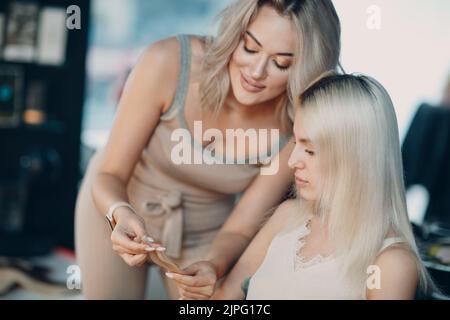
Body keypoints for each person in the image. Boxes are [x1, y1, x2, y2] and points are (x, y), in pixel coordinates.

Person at [75, 0, 341, 299]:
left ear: (305, 69)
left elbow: (240, 228)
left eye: (281, 63)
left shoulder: (296, 124)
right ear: (234, 34)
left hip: (210, 233)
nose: (256, 71)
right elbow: (109, 173)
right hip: (117, 206)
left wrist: (213, 265)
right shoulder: (169, 61)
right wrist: (119, 213)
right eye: (250, 48)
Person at [207, 74, 437, 300]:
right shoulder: (286, 217)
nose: (292, 161)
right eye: (296, 142)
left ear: (356, 158)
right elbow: (226, 296)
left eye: (310, 150)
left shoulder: (391, 264)